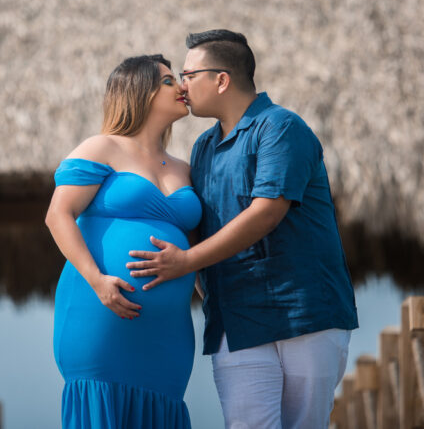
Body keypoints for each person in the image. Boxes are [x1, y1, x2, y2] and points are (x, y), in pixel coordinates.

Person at [127, 30, 359, 429]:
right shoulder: (201, 147)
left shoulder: (281, 127)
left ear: (221, 80)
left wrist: (185, 262)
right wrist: (206, 286)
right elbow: (200, 225)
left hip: (304, 315)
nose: (181, 86)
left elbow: (266, 212)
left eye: (189, 74)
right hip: (235, 321)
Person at [46, 54, 201, 428]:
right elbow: (57, 215)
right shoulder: (102, 148)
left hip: (168, 334)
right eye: (168, 81)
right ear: (139, 91)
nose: (181, 87)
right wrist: (98, 282)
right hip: (101, 312)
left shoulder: (187, 168)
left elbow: (197, 252)